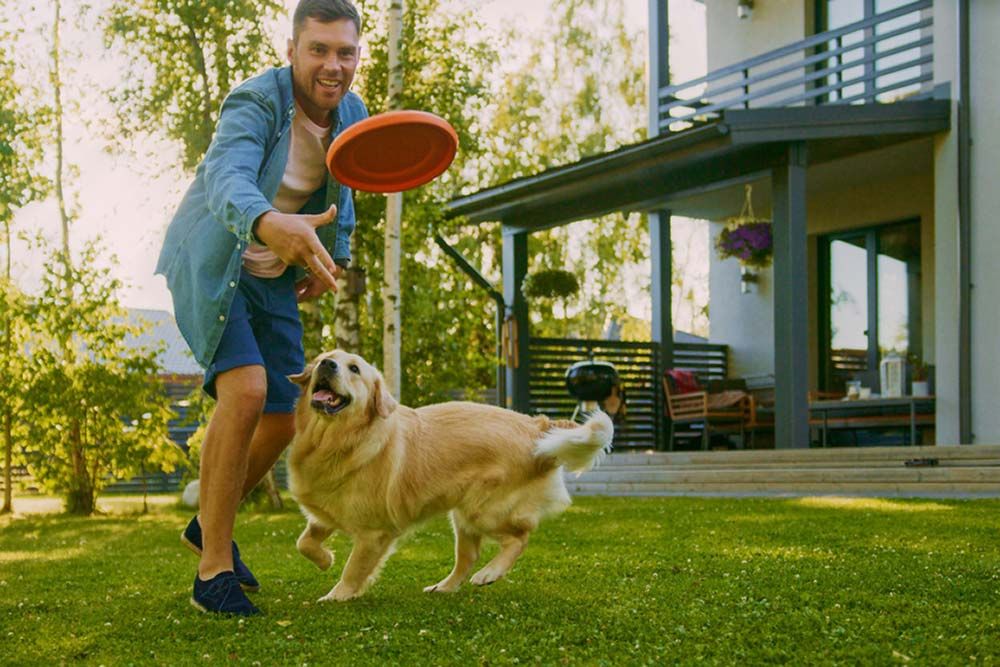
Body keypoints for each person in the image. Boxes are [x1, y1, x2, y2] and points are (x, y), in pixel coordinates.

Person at [155, 0, 367, 616]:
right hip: (216, 261)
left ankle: (207, 522)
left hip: (275, 274)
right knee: (245, 392)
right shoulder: (257, 102)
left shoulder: (351, 112)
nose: (333, 65)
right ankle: (213, 568)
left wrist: (336, 257)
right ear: (293, 50)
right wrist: (270, 223)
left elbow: (344, 190)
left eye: (345, 52)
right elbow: (227, 177)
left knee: (285, 412)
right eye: (319, 50)